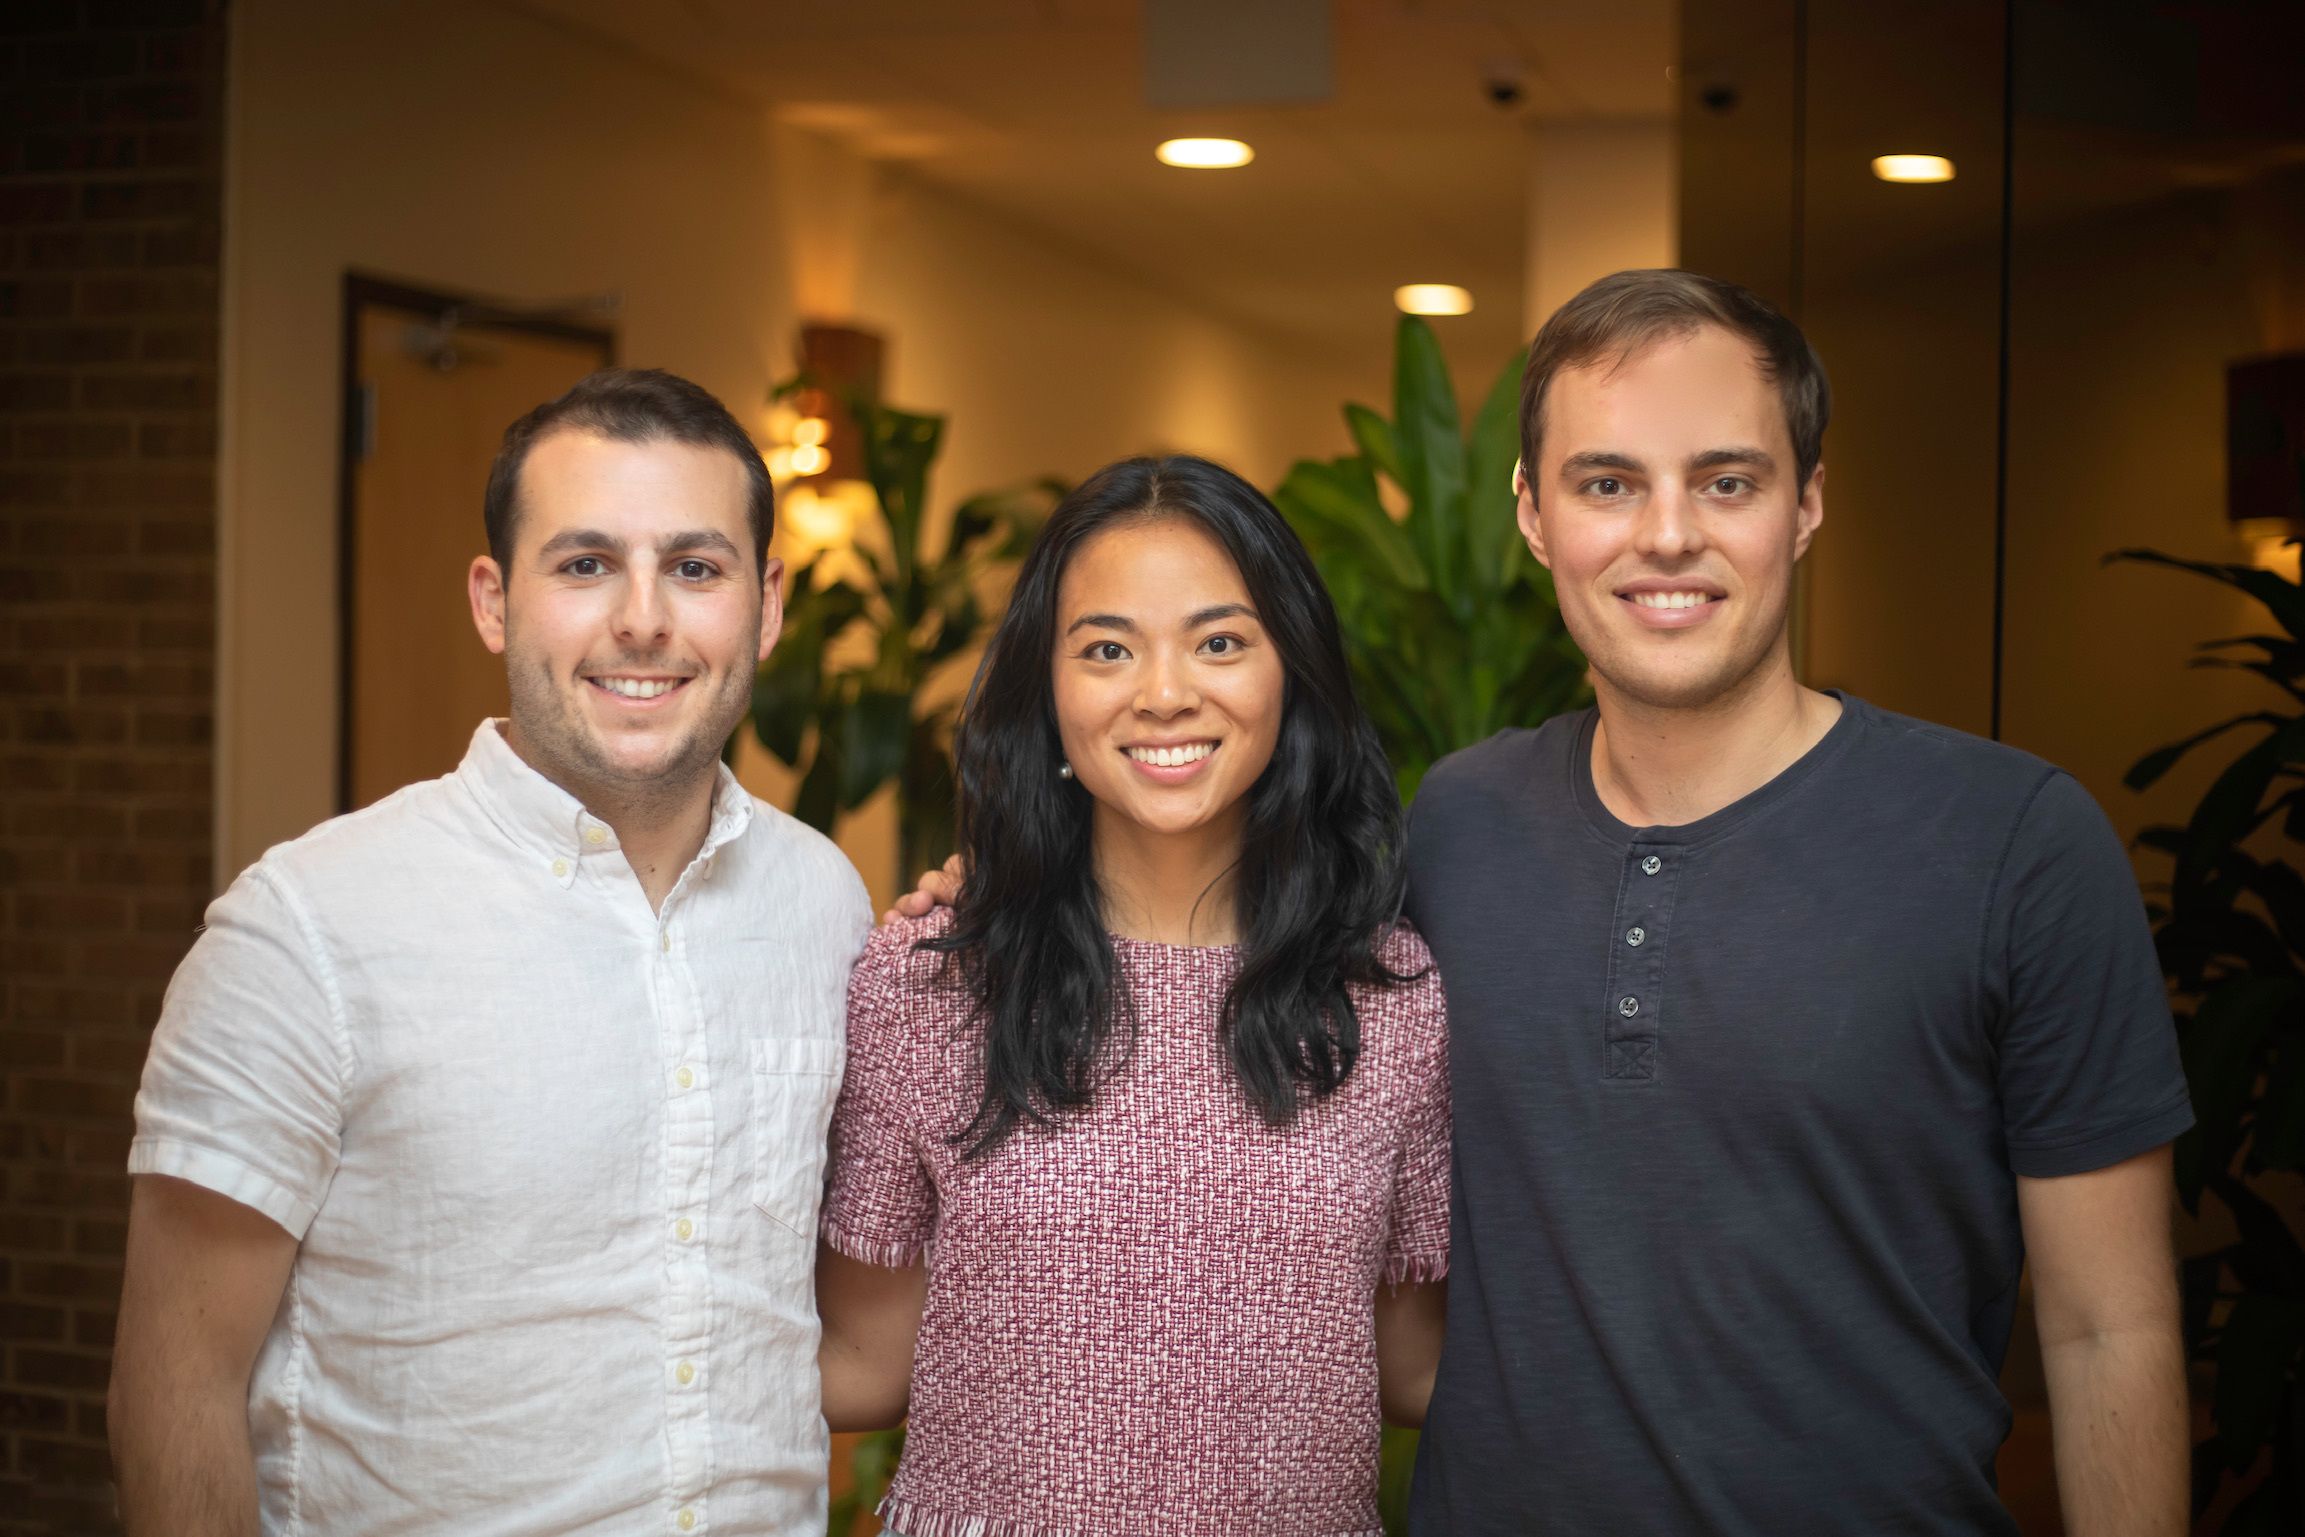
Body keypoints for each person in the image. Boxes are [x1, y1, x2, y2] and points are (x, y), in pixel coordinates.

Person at [900, 272, 2192, 1534]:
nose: (1667, 534)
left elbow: (2107, 1328)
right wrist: (993, 909)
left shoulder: (2010, 841)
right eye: (1608, 483)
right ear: (1531, 513)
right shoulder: (1455, 826)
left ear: (1805, 503)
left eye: (1726, 480)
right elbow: (1209, 948)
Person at [111, 368, 870, 1535]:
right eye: (583, 564)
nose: (642, 619)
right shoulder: (306, 929)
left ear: (765, 603)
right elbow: (176, 1392)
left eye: (694, 566)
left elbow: (814, 1324)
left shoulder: (826, 903)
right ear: (492, 600)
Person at [816, 455, 1451, 1535]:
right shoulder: (932, 979)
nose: (1163, 692)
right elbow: (868, 1365)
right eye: (1107, 648)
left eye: (1218, 641)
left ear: (1288, 670)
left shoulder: (1390, 995)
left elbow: (1411, 1368)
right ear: (1046, 688)